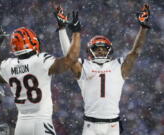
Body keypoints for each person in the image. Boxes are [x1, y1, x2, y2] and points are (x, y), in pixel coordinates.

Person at [54, 4, 150, 135]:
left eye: (104, 48)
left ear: (109, 51)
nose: (100, 50)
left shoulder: (118, 66)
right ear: (90, 51)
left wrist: (143, 28)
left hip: (112, 125)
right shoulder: (85, 66)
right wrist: (62, 29)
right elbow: (69, 57)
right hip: (91, 124)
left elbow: (135, 52)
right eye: (97, 48)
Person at [0, 12, 81, 135]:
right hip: (41, 123)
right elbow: (71, 59)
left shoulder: (8, 65)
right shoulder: (40, 61)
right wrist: (76, 33)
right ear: (33, 42)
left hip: (21, 125)